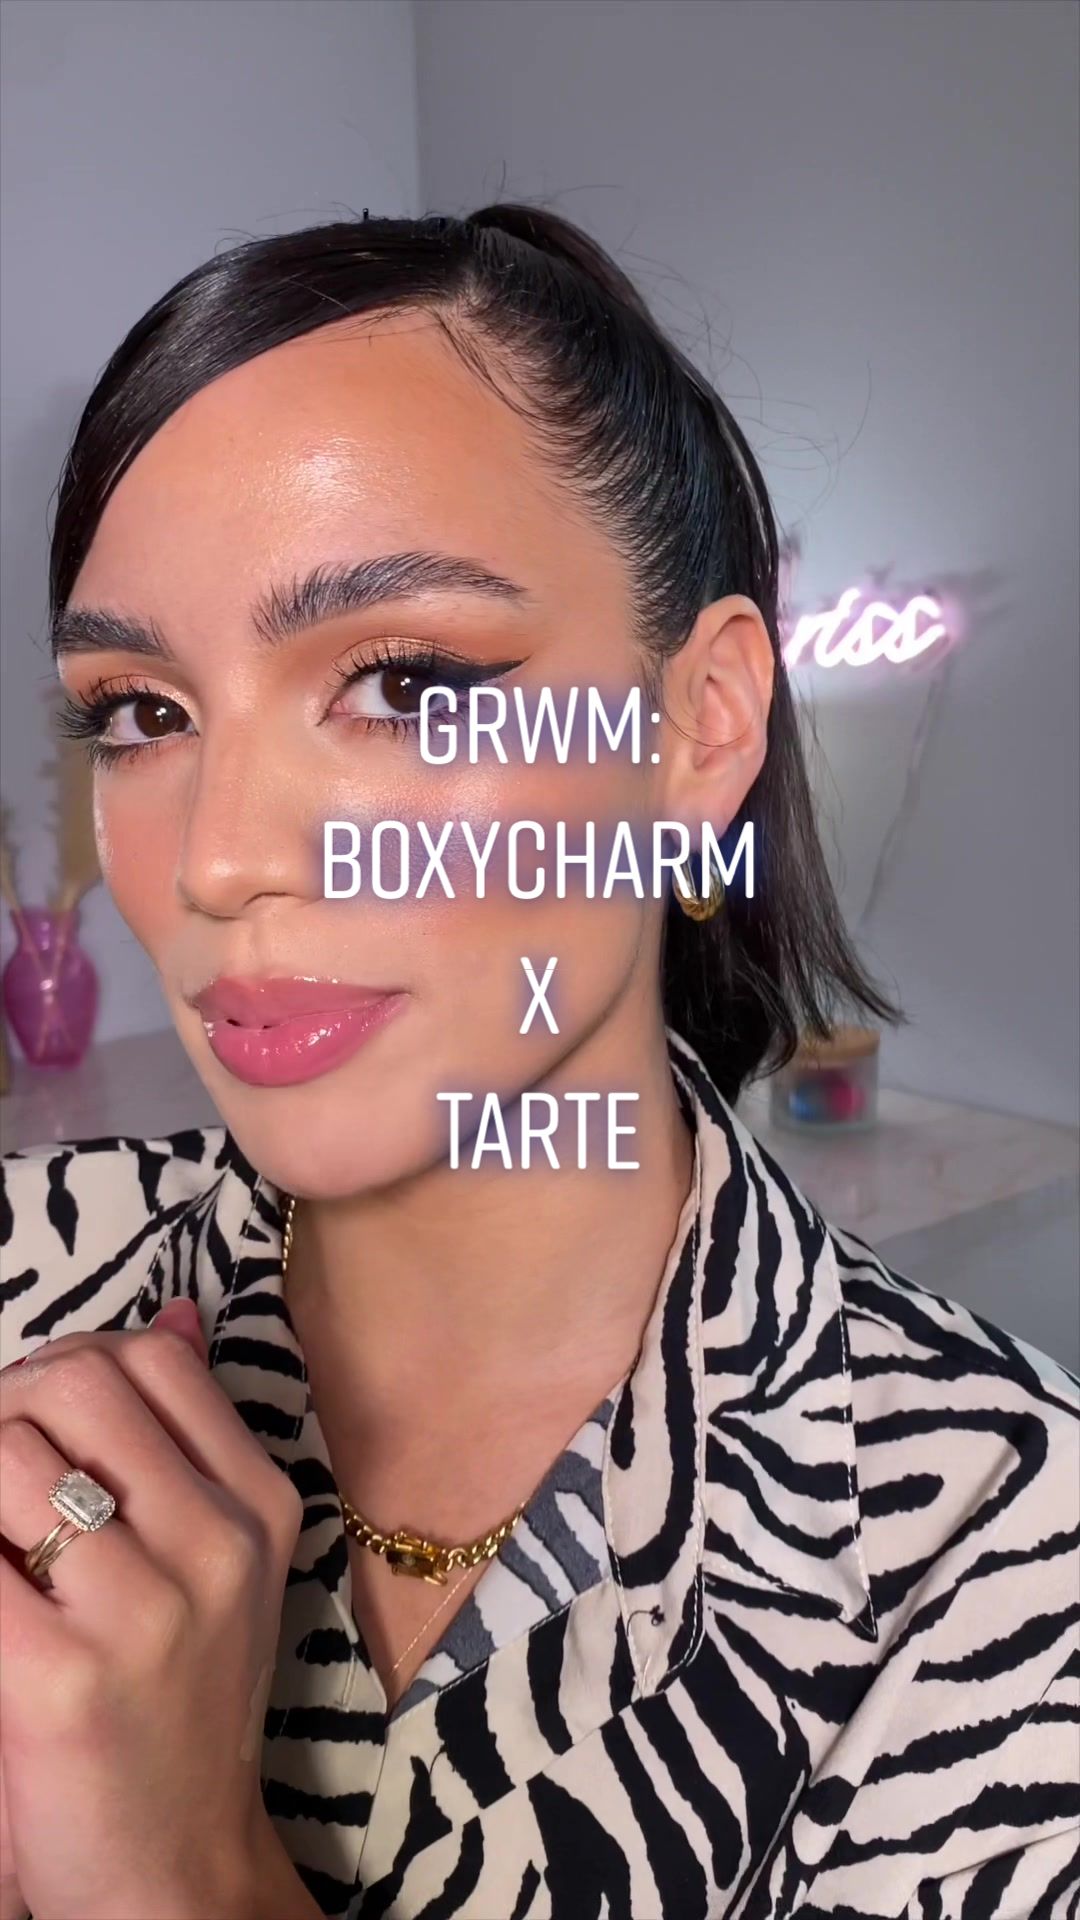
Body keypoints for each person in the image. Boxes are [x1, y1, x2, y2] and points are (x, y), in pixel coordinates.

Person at [0, 203, 1076, 1920]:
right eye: (142, 712)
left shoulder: (1004, 1555)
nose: (216, 860)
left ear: (701, 724)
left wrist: (176, 1875)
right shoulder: (30, 1283)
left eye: (405, 682)